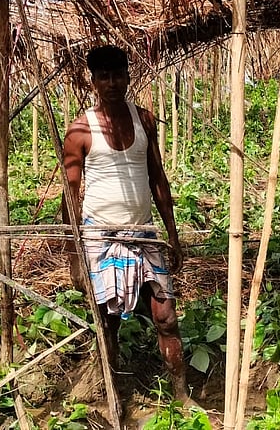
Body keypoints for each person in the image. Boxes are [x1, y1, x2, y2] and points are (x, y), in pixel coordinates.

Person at [62, 44, 189, 401]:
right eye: (105, 77)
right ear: (94, 83)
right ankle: (113, 394)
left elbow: (157, 178)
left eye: (118, 75)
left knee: (166, 317)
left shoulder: (143, 119)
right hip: (101, 236)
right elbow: (69, 194)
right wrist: (74, 253)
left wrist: (172, 235)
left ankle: (180, 395)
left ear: (128, 77)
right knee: (108, 323)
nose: (113, 82)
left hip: (144, 232)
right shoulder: (81, 130)